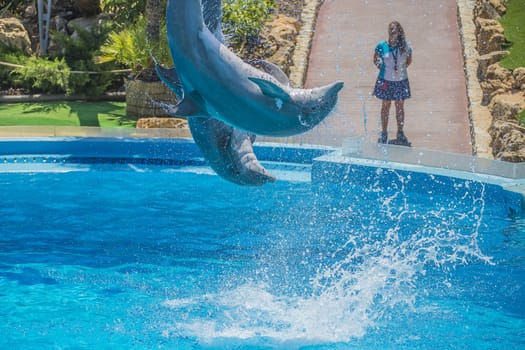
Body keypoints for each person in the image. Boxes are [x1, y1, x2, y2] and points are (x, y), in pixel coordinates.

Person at [373, 21, 412, 146]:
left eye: (394, 29)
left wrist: (399, 70)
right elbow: (375, 59)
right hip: (386, 80)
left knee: (400, 107)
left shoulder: (405, 46)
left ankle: (400, 132)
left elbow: (408, 61)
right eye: (390, 29)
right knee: (385, 106)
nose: (392, 31)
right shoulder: (381, 45)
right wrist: (384, 69)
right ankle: (384, 132)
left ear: (399, 32)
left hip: (401, 80)